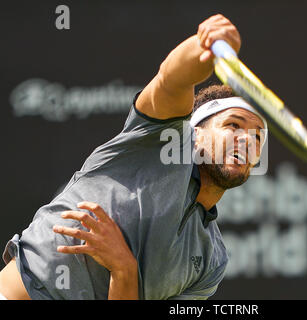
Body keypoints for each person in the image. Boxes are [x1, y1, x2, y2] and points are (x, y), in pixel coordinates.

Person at [0, 14, 267, 300]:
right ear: (196, 135)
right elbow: (171, 80)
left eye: (258, 136)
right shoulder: (156, 141)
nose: (247, 139)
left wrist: (124, 268)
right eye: (233, 125)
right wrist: (206, 46)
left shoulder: (212, 261)